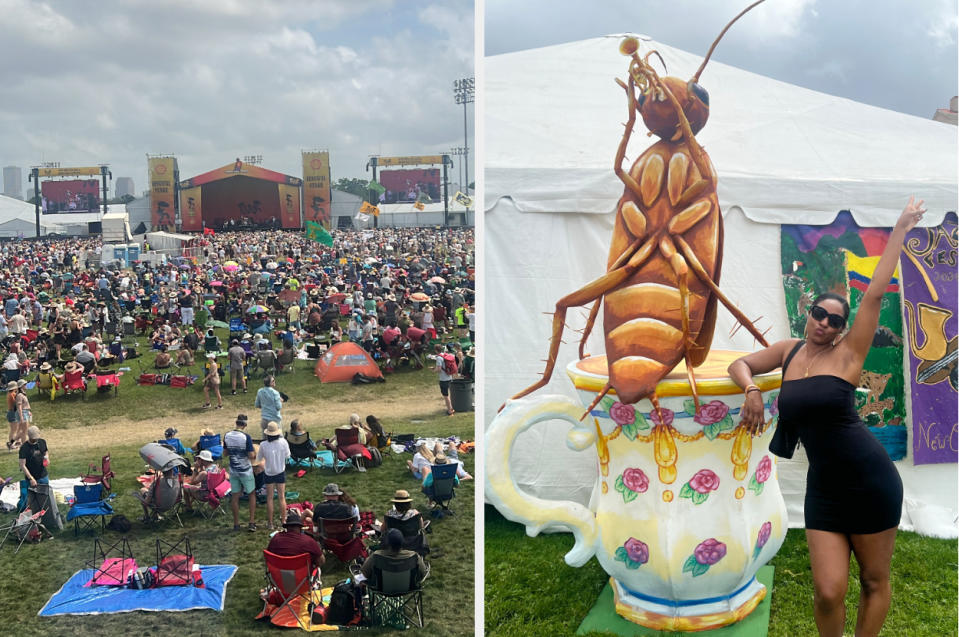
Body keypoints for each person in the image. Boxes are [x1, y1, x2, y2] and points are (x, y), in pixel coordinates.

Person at [728, 197, 924, 637]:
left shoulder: (849, 356)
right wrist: (753, 389)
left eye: (836, 321)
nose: (825, 324)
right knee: (827, 591)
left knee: (873, 580)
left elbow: (874, 291)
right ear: (808, 312)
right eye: (819, 314)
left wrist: (900, 227)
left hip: (870, 480)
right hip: (825, 489)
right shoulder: (788, 352)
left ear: (842, 330)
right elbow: (739, 364)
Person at [360, 528, 427, 587]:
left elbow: (364, 574)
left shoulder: (376, 556)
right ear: (402, 542)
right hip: (408, 589)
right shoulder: (414, 556)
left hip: (381, 589)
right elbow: (424, 573)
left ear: (386, 543)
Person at [224, 414, 257, 532]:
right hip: (245, 470)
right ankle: (251, 522)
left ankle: (236, 524)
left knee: (235, 496)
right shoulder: (246, 437)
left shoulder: (227, 435)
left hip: (233, 470)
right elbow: (251, 455)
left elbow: (225, 453)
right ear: (245, 425)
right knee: (252, 494)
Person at [256, 421, 290, 530]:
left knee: (269, 498)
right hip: (280, 472)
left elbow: (259, 459)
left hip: (269, 473)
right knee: (282, 497)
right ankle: (284, 520)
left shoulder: (263, 445)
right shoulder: (283, 442)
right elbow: (287, 455)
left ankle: (270, 523)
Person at [18, 426, 48, 512]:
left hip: (43, 475)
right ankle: (32, 515)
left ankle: (45, 513)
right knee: (31, 500)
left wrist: (46, 458)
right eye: (33, 439)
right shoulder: (24, 448)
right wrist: (31, 478)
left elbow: (46, 451)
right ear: (29, 436)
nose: (35, 440)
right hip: (31, 477)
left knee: (45, 497)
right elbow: (22, 465)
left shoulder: (42, 442)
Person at [431, 343, 455, 415]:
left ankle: (450, 411)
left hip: (443, 379)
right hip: (450, 377)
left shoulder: (439, 358)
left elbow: (439, 369)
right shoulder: (445, 355)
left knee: (446, 396)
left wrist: (433, 370)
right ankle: (452, 407)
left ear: (435, 350)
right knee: (450, 394)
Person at [14, 379, 32, 448]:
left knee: (24, 430)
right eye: (25, 384)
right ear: (21, 386)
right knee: (24, 431)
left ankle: (13, 442)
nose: (26, 385)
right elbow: (19, 406)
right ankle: (24, 445)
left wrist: (29, 411)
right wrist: (21, 416)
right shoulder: (20, 395)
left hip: (26, 412)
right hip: (23, 412)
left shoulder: (23, 394)